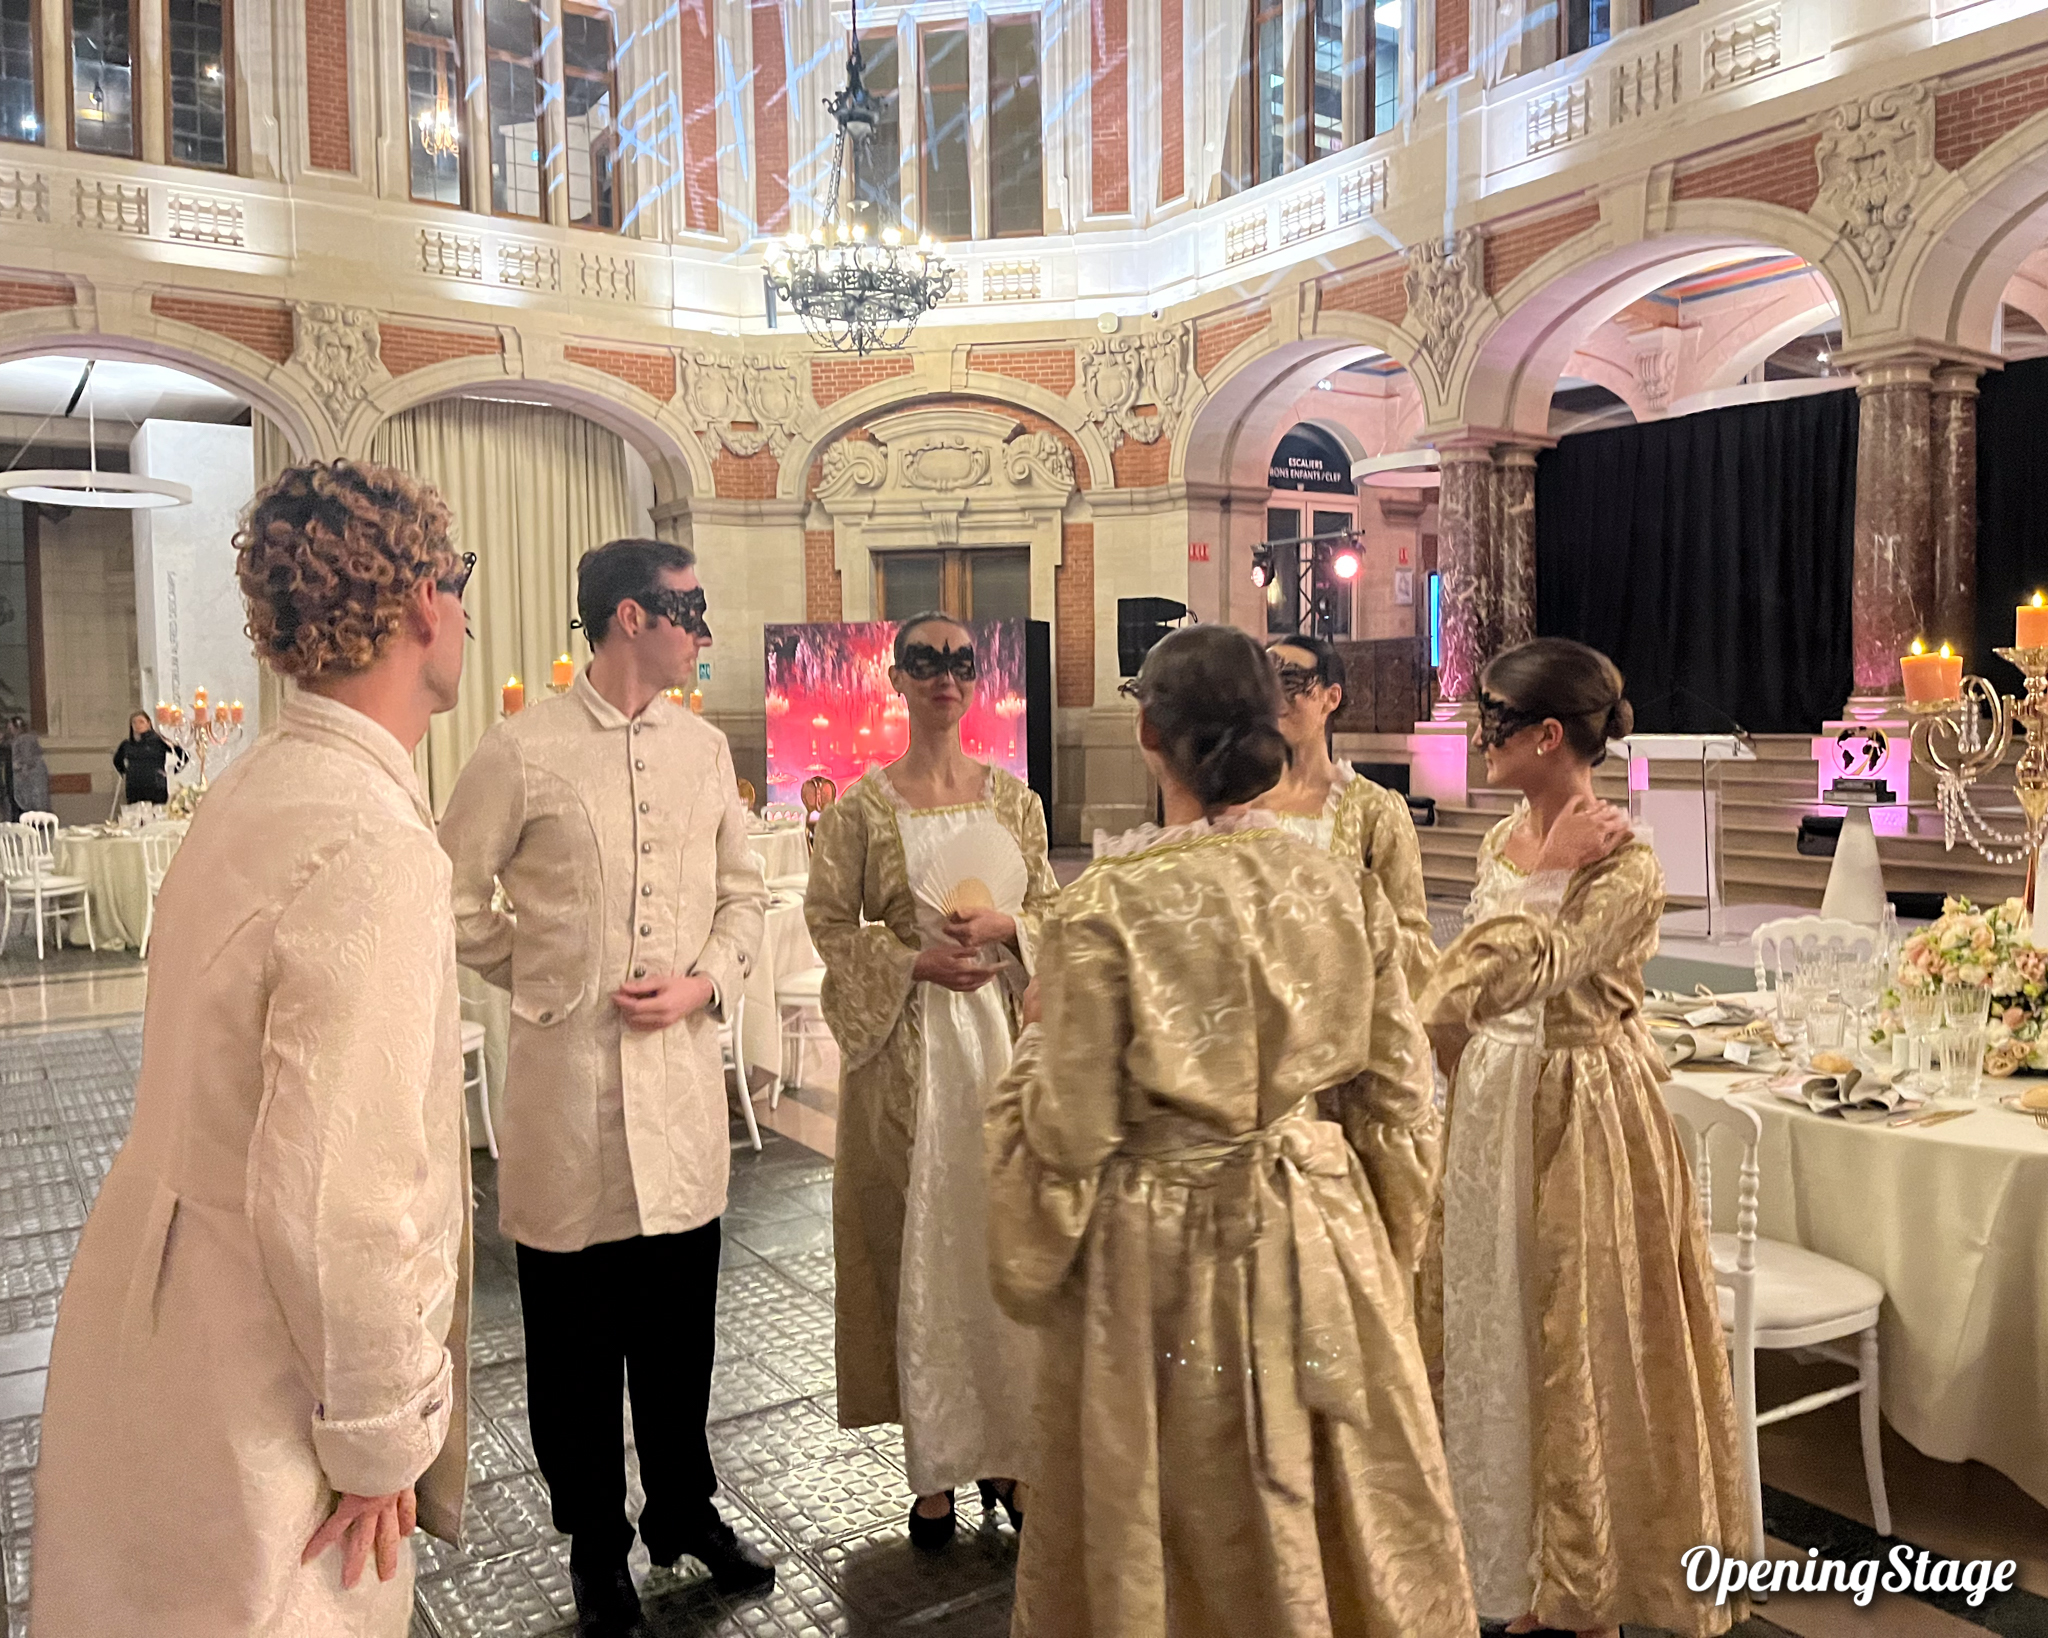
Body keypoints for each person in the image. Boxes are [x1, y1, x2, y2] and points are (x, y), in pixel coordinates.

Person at [30, 460, 474, 1636]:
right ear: (423, 602)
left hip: (157, 1305)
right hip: (269, 1372)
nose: (465, 610)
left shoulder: (254, 789)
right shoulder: (371, 838)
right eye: (460, 579)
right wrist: (383, 1435)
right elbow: (340, 1187)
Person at [985, 624, 1475, 1638]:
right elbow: (1394, 1096)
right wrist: (1382, 1242)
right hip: (1314, 1223)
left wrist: (1031, 1056)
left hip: (1156, 1258)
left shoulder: (1105, 907)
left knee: (1166, 1516)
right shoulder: (1336, 886)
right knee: (1329, 1506)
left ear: (1145, 733)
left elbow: (1066, 1140)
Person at [438, 537, 773, 1637]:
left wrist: (703, 986)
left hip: (677, 1102)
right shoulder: (521, 749)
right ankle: (596, 1545)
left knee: (680, 1335)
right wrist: (542, 975)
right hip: (565, 1104)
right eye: (692, 609)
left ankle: (683, 1507)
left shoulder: (701, 749)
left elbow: (745, 894)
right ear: (631, 617)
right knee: (575, 1351)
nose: (703, 631)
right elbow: (451, 897)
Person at [1417, 637, 1750, 1637]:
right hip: (1488, 1106)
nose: (1478, 739)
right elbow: (1462, 990)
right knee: (1493, 1324)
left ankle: (1584, 1582)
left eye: (1493, 723)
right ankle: (1511, 1566)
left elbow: (1511, 974)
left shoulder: (1625, 862)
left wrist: (1542, 887)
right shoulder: (1496, 843)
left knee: (1577, 1334)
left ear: (1547, 734)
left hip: (1578, 1111)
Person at [806, 611, 1057, 1548]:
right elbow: (830, 926)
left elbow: (1056, 915)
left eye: (960, 662)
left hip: (997, 1046)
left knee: (1001, 1241)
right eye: (925, 662)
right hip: (907, 1062)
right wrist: (912, 961)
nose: (945, 677)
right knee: (921, 1248)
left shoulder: (1015, 805)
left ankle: (1012, 1448)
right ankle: (936, 1462)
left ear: (977, 679)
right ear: (897, 679)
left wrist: (1011, 931)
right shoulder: (864, 809)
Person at [1261, 634, 1436, 993]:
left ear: (1331, 697)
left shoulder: (1372, 810)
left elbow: (1411, 936)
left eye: (1291, 681)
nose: (1275, 698)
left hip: (1342, 1018)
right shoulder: (1239, 804)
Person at [113, 710, 188, 806]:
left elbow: (183, 756)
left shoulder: (159, 741)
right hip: (134, 788)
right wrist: (127, 772)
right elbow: (117, 761)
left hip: (156, 787)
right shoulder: (127, 744)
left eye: (141, 722)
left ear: (148, 723)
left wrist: (172, 771)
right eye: (134, 722)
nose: (137, 725)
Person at [9, 716, 47, 814]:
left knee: (31, 801)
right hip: (26, 774)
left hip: (29, 776)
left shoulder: (25, 739)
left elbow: (27, 757)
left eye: (11, 728)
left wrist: (23, 769)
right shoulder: (20, 739)